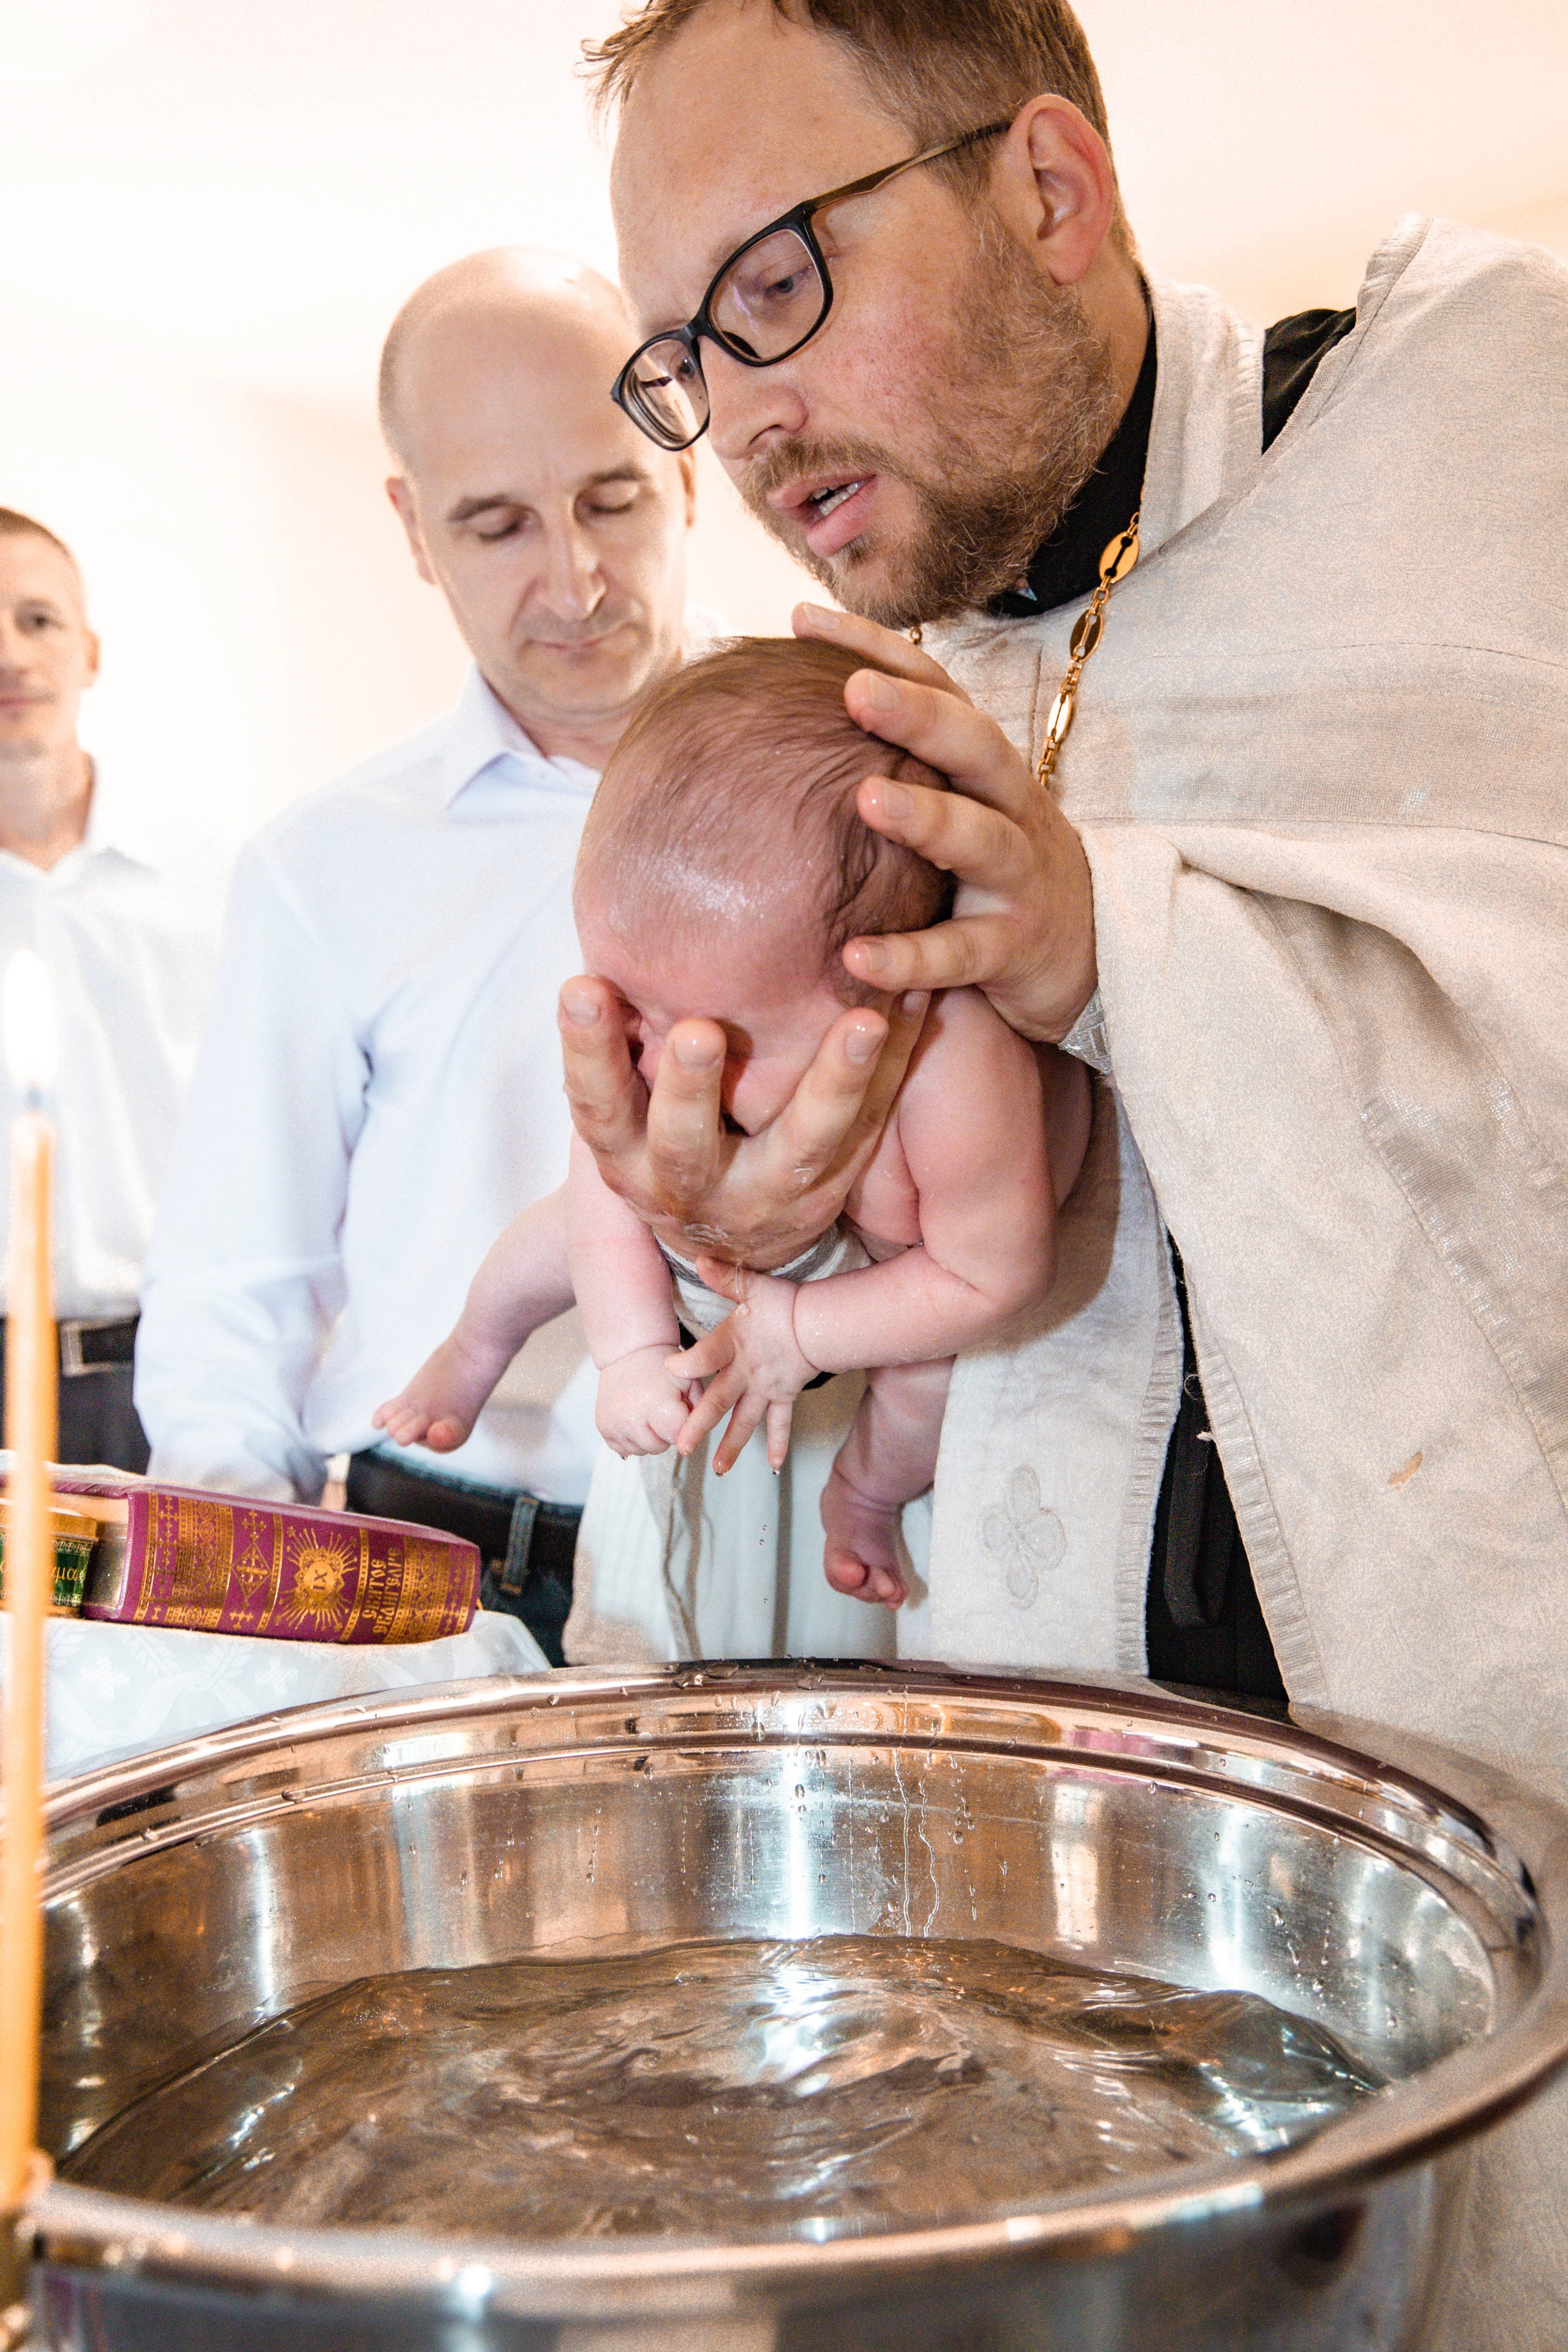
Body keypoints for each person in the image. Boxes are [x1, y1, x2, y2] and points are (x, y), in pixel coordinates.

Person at [560, 4, 1568, 2338]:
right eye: (688, 361)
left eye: (780, 285)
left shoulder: (1497, 427)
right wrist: (753, 1231)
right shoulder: (841, 703)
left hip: (1483, 1816)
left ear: (1045, 186)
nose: (748, 424)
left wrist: (1124, 947)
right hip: (1066, 1908)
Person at [133, 250, 698, 1662]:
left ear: (685, 456)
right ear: (412, 528)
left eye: (609, 498)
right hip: (427, 1583)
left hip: (790, 1554)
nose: (571, 579)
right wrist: (232, 1625)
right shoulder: (321, 868)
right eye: (496, 524)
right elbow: (236, 1286)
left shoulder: (853, 775)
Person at [375, 637, 1088, 1621]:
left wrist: (804, 1328)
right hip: (756, 1246)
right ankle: (475, 1345)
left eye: (702, 1033)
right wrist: (630, 1356)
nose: (655, 1061)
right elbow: (607, 1195)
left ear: (877, 990)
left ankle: (867, 1501)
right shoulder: (659, 1021)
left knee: (926, 1386)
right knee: (559, 1231)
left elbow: (992, 1277)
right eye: (628, 1003)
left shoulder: (957, 1067)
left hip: (912, 1272)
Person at [0, 507, 219, 1471]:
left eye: (37, 620)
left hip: (164, 1388)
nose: (11, 655)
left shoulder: (215, 889)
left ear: (88, 651)